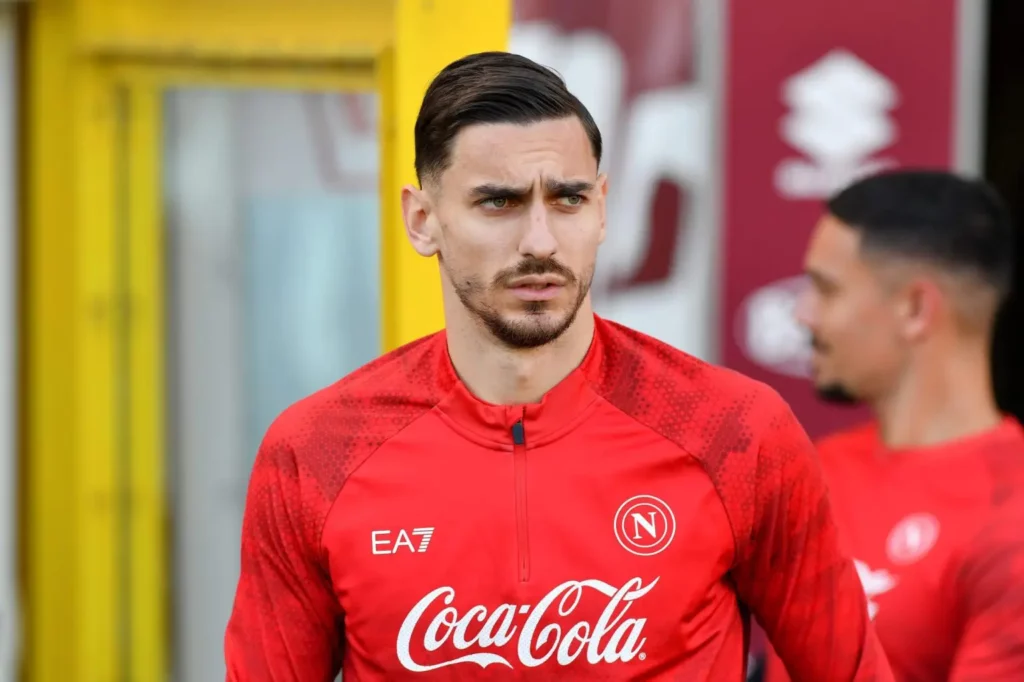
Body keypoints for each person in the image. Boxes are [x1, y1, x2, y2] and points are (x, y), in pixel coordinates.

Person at [224, 51, 891, 681]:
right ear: (422, 220)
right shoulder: (317, 452)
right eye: (499, 201)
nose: (540, 241)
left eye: (568, 199)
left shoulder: (735, 432)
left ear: (601, 209)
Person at [765, 169, 1024, 682]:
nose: (803, 315)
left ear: (915, 308)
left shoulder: (1010, 517)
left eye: (826, 290)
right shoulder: (812, 467)